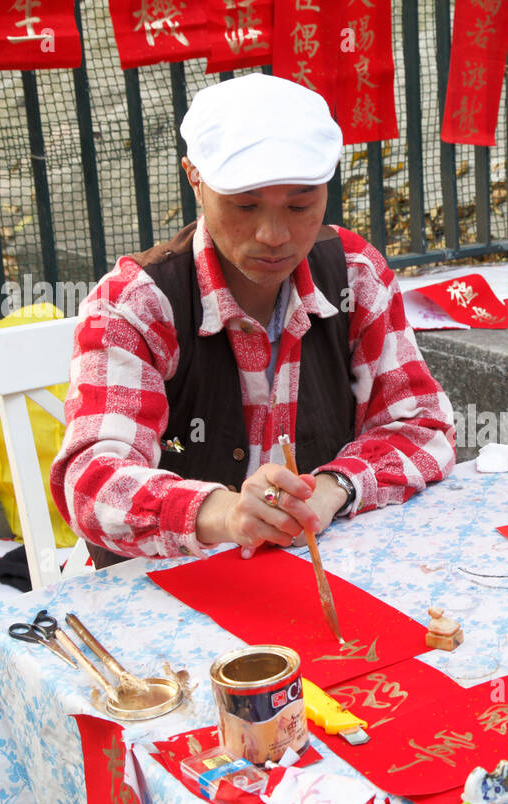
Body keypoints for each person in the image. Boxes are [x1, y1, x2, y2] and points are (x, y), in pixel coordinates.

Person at [50, 74, 455, 567]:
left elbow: (422, 424)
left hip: (317, 567)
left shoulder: (354, 274)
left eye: (301, 205)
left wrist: (331, 488)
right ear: (194, 178)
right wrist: (222, 514)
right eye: (244, 205)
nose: (273, 234)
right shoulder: (136, 304)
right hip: (170, 583)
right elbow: (90, 481)